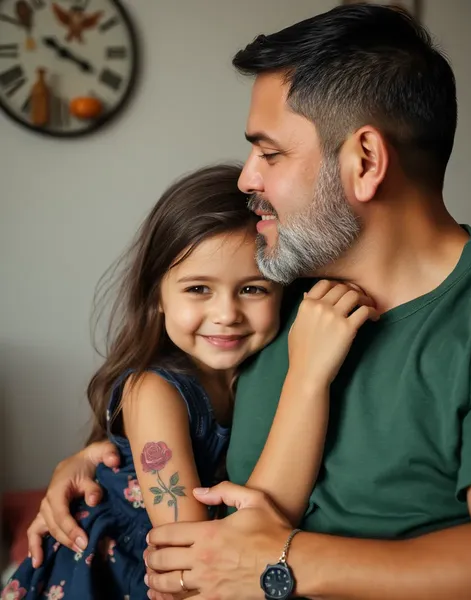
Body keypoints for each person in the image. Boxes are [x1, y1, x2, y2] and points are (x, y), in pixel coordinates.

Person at [19, 3, 471, 599]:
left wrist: (278, 563)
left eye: (271, 152)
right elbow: (174, 409)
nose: (247, 180)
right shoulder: (273, 291)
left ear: (365, 161)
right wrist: (93, 460)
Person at [2, 164, 377, 600]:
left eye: (252, 289)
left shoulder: (257, 373)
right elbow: (193, 548)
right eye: (199, 289)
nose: (226, 314)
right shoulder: (153, 391)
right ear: (156, 296)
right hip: (115, 577)